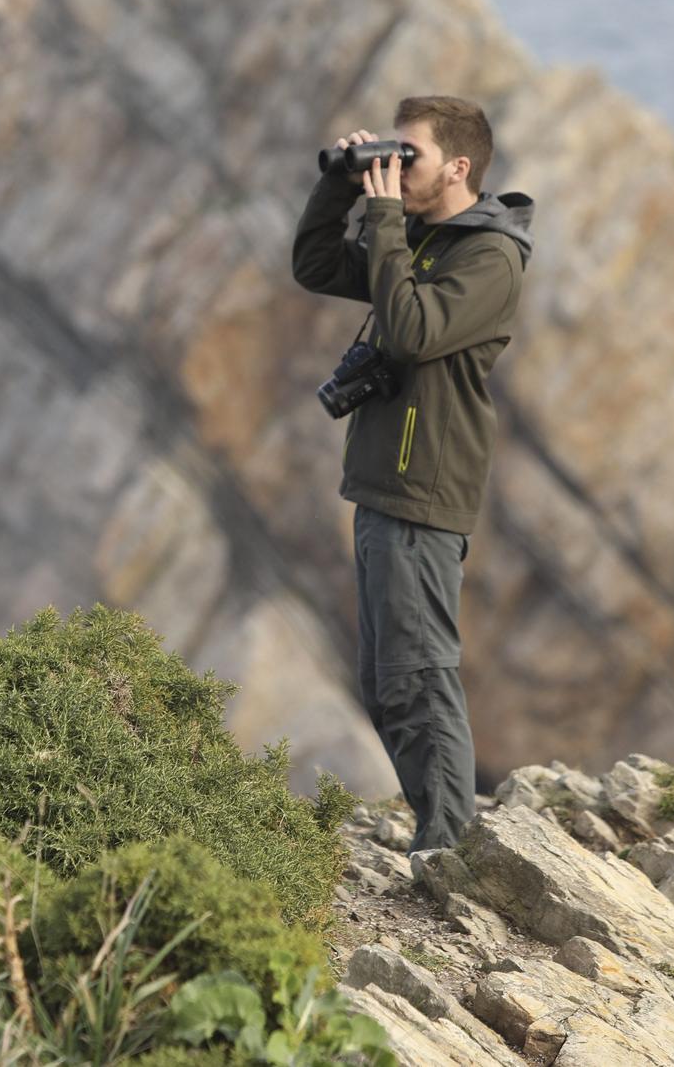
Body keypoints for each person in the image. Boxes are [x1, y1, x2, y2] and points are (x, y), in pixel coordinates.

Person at [290, 94, 534, 861]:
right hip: (380, 491)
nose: (396, 169)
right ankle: (439, 832)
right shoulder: (425, 241)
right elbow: (317, 263)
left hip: (425, 493)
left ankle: (448, 847)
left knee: (421, 679)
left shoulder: (490, 256)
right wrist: (341, 185)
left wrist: (388, 221)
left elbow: (413, 329)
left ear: (459, 167)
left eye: (411, 156)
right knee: (387, 683)